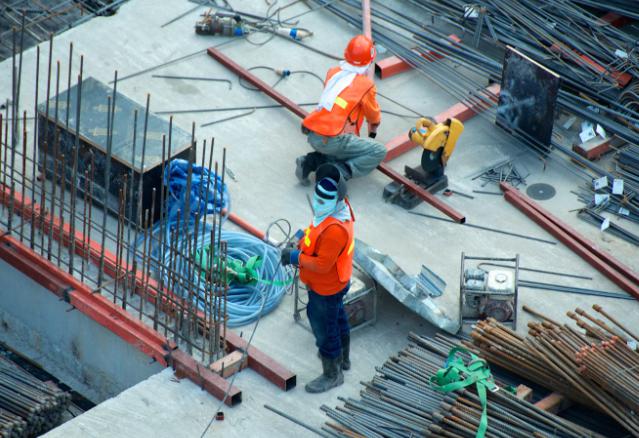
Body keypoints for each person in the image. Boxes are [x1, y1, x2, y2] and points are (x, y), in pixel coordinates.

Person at [281, 164, 355, 393]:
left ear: (337, 198)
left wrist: (295, 256)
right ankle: (343, 359)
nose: (318, 203)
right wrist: (301, 238)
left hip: (327, 287)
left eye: (324, 200)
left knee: (325, 328)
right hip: (335, 284)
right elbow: (315, 230)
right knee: (337, 318)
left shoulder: (335, 230)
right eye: (317, 197)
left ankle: (333, 374)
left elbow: (323, 265)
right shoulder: (335, 211)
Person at [296, 35, 387, 185]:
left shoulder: (334, 72)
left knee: (342, 146)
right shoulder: (366, 86)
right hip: (332, 139)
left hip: (313, 132)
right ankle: (338, 172)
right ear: (369, 61)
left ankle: (309, 162)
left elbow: (337, 101)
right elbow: (373, 116)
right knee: (378, 151)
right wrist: (374, 126)